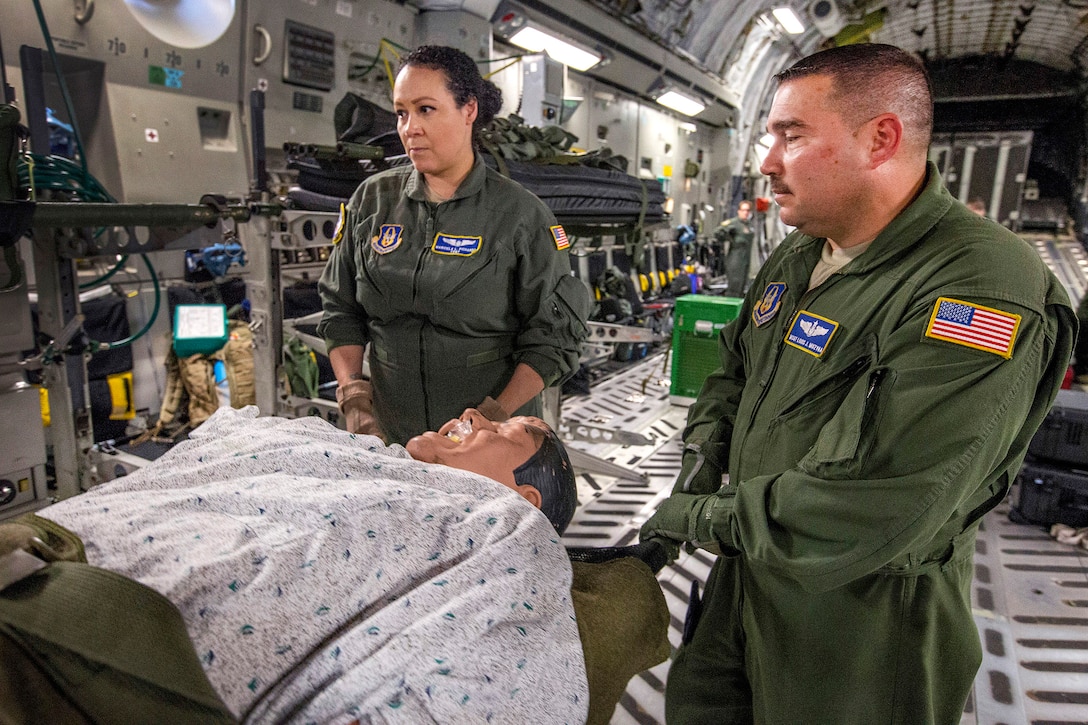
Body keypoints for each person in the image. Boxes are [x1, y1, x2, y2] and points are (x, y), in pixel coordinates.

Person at [640, 43, 1075, 723]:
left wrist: (701, 518)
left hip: (861, 626)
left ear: (880, 139)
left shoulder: (981, 287)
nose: (768, 162)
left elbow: (883, 499)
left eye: (792, 135)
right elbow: (736, 368)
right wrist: (702, 461)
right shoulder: (803, 248)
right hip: (750, 579)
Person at [25, 407, 668, 724]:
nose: (472, 413)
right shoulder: (359, 453)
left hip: (82, 628)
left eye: (502, 427)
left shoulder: (504, 534)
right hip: (49, 546)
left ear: (522, 497)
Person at [318, 45, 591, 445]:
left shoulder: (519, 215)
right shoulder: (371, 202)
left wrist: (492, 416)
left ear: (468, 111)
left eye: (426, 109)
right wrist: (355, 397)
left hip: (489, 441)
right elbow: (340, 309)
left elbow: (555, 339)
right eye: (401, 113)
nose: (410, 128)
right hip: (392, 433)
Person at [713, 199, 755, 295]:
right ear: (738, 211)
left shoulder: (748, 225)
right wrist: (727, 233)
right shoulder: (733, 223)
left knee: (742, 285)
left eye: (748, 210)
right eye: (743, 210)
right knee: (734, 285)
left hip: (746, 259)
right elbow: (717, 232)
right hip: (735, 259)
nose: (745, 213)